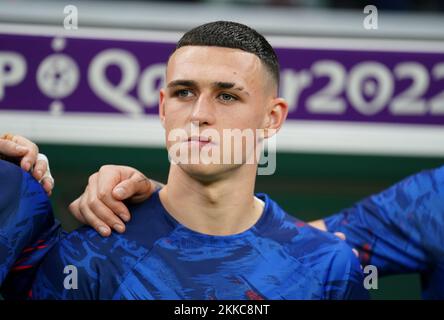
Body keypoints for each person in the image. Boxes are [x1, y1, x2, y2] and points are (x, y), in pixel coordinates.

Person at [0, 21, 367, 300]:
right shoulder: (90, 254)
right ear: (163, 107)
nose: (199, 113)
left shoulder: (327, 266)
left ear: (272, 118)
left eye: (226, 96)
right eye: (184, 92)